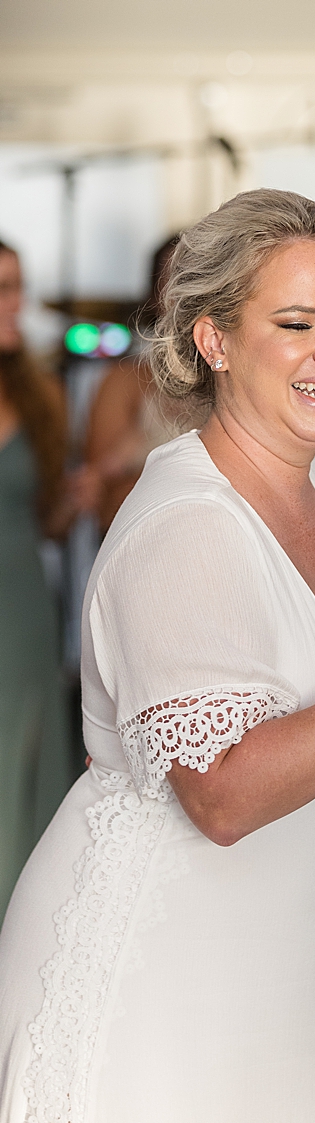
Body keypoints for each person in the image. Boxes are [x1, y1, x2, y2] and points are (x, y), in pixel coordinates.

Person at [0, 190, 315, 1120]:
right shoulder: (188, 522)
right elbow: (219, 793)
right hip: (170, 978)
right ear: (213, 340)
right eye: (296, 322)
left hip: (283, 970)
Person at [0, 241, 77, 919]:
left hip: (20, 600)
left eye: (17, 286)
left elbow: (51, 519)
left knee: (20, 748)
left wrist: (85, 491)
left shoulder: (39, 389)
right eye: (0, 288)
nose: (15, 303)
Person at [79, 236, 194, 534]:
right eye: (174, 280)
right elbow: (102, 504)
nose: (186, 295)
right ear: (155, 295)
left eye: (196, 278)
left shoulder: (247, 379)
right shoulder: (126, 381)